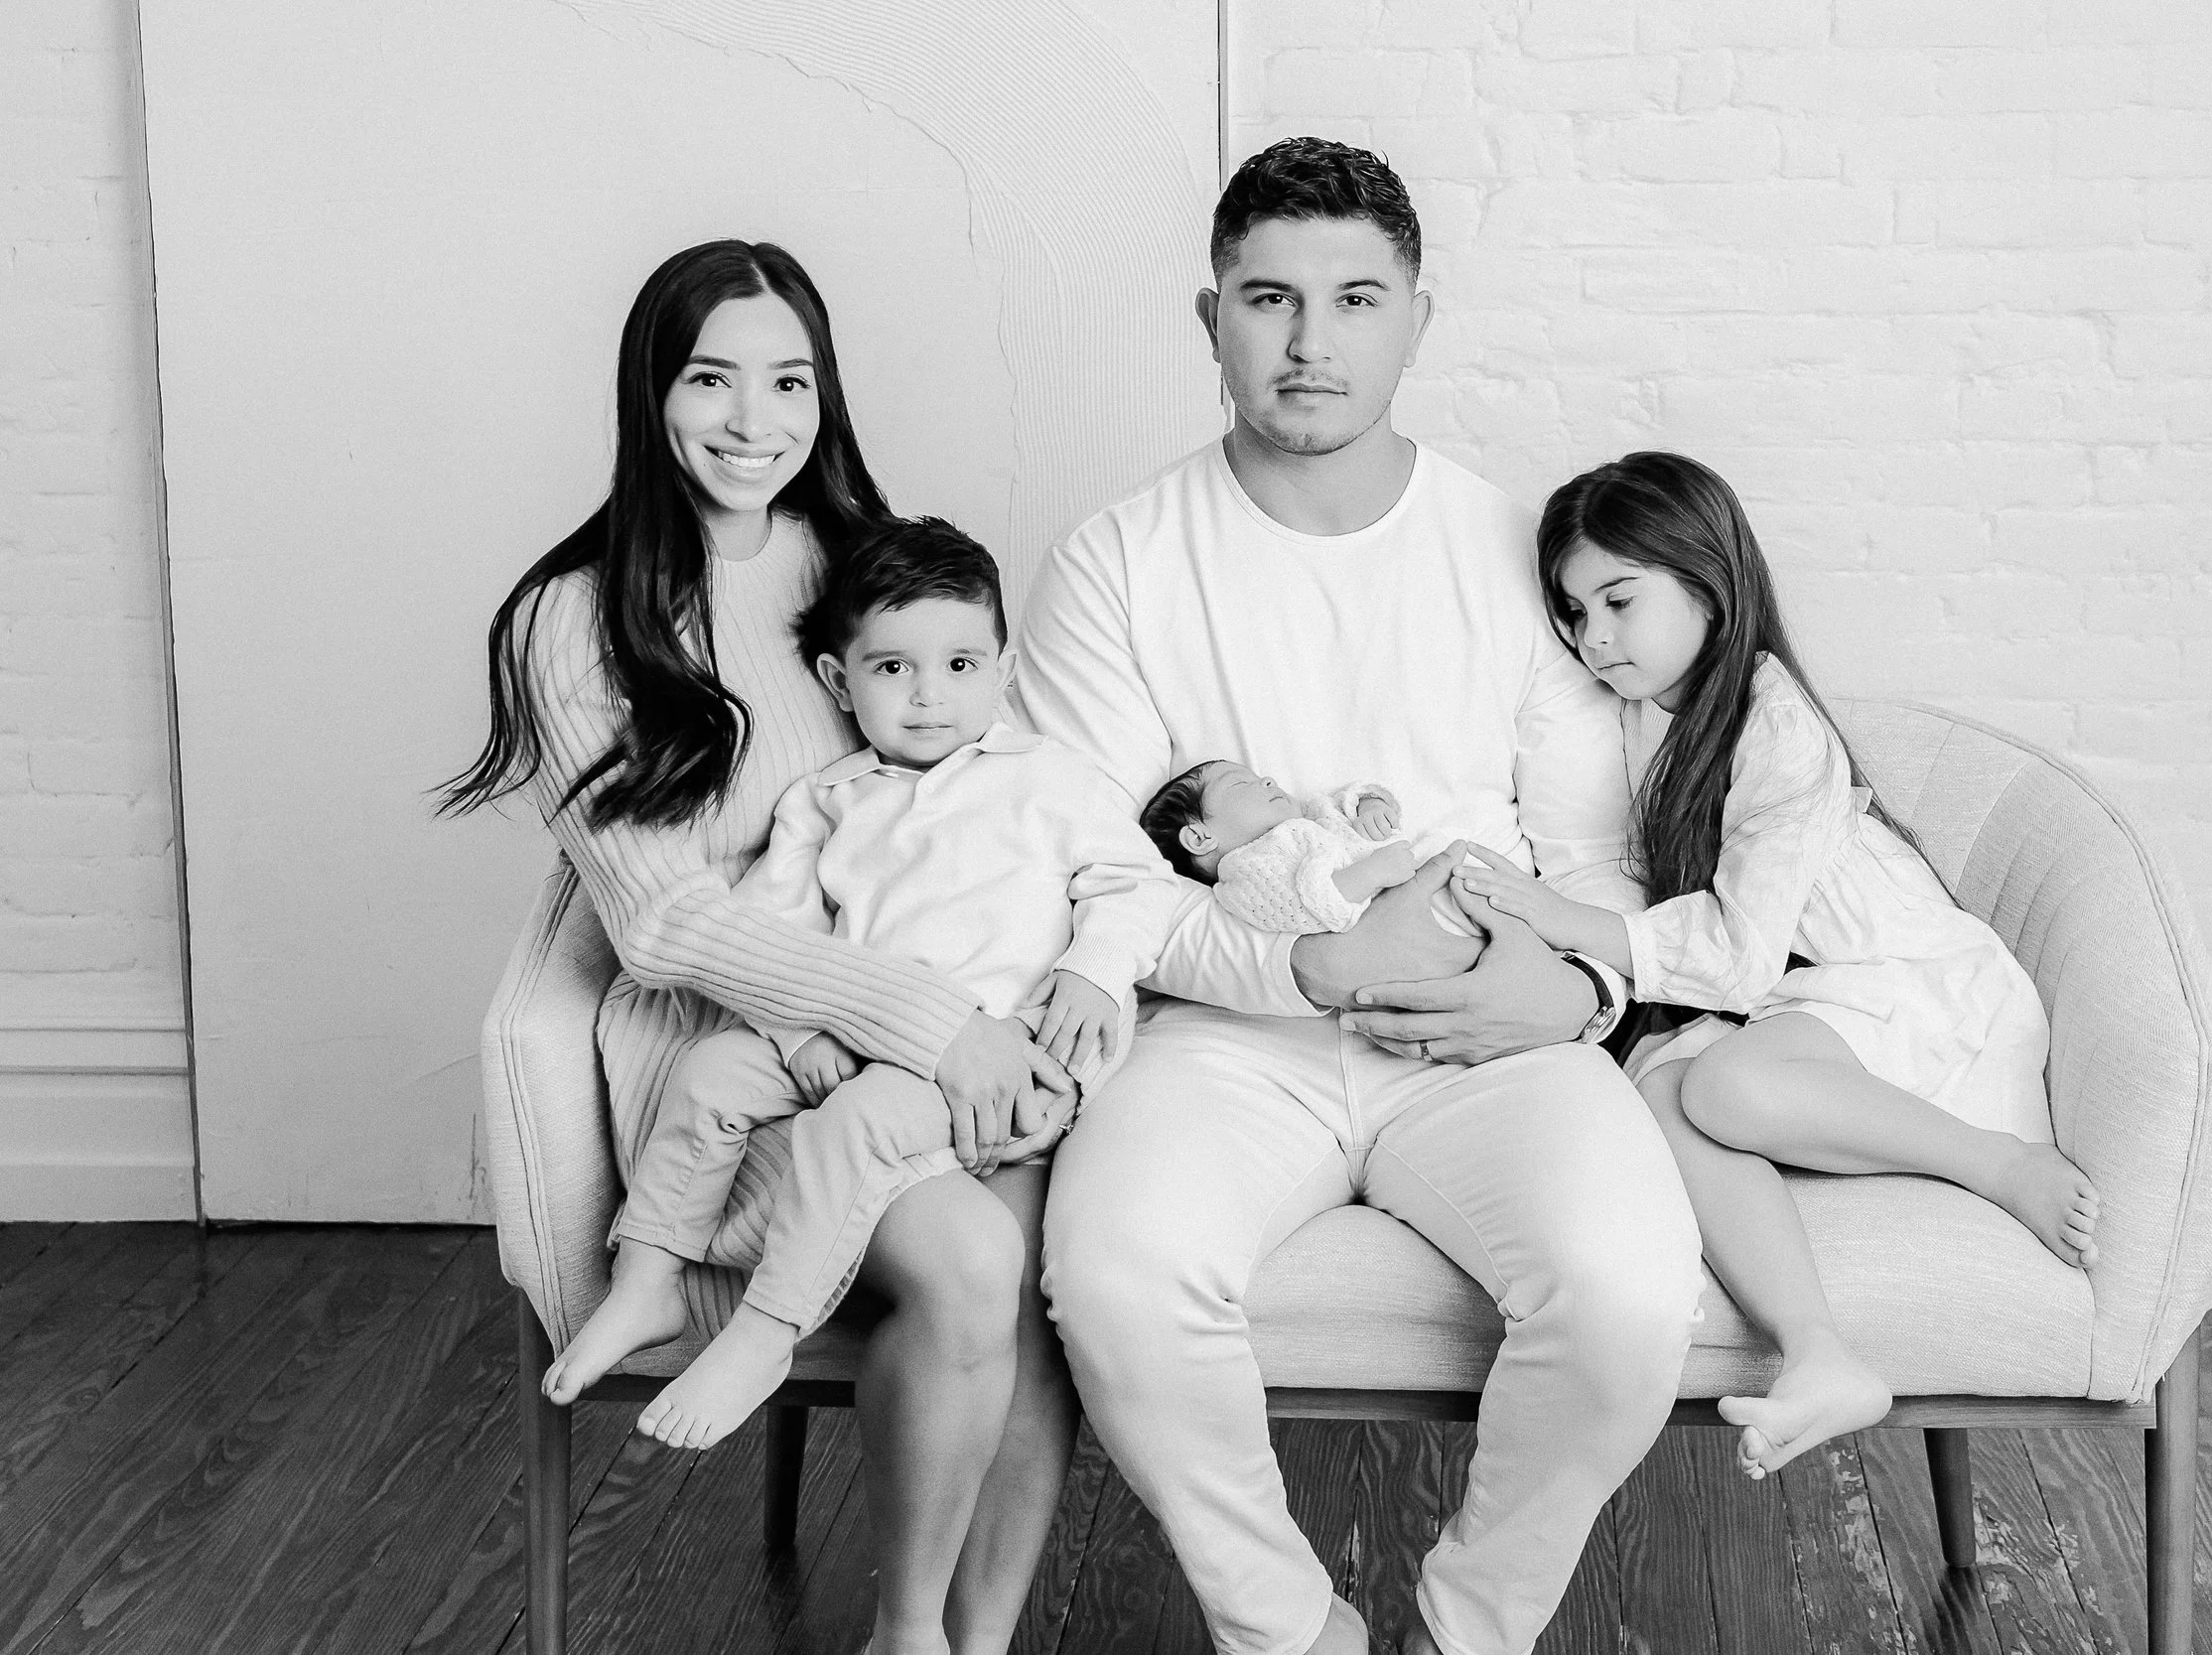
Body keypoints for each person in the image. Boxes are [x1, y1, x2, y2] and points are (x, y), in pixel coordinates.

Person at [1015, 139, 1705, 1655]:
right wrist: (1312, 965)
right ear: (1211, 324)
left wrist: (1582, 992)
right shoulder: (1117, 562)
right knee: (1118, 1274)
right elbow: (1092, 875)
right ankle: (1289, 1631)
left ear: (1417, 318)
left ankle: (1473, 1628)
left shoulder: (1513, 547)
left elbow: (1592, 853)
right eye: (1269, 298)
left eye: (1353, 298)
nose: (1311, 341)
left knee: (1632, 1295)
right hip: (1216, 1030)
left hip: (1488, 1022)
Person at [440, 241, 1080, 1655]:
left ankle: (960, 1632)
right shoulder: (571, 617)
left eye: (788, 381)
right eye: (711, 379)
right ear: (650, 393)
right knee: (974, 1257)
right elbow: (662, 916)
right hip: (723, 1052)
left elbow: (974, 785)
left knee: (1041, 1261)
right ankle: (907, 1628)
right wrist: (926, 1016)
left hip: (908, 1012)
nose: (753, 420)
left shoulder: (855, 561)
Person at [1452, 449, 2097, 1480]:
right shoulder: (1654, 716)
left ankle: (1998, 1161)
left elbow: (1739, 955)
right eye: (1573, 613)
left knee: (1724, 1080)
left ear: (1707, 582)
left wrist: (1564, 921)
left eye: (1618, 599)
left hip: (1914, 992)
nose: (1594, 637)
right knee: (1657, 1092)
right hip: (1816, 1003)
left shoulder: (1774, 723)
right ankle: (1819, 1350)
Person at [545, 515, 1183, 1459]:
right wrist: (800, 1038)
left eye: (963, 665)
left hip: (979, 1059)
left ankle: (767, 1328)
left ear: (1003, 671)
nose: (931, 696)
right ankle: (649, 1274)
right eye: (894, 669)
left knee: (853, 1126)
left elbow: (1138, 884)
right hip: (847, 1035)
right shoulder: (827, 798)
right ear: (840, 682)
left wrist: (1094, 967)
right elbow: (772, 937)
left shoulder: (1048, 780)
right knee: (714, 1069)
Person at [1140, 762, 1424, 934]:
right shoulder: (1244, 873)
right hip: (1398, 905)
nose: (1267, 780)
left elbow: (1342, 800)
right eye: (1240, 783)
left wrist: (1369, 804)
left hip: (1414, 867)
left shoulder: (1307, 814)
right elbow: (1308, 904)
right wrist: (1372, 873)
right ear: (1200, 838)